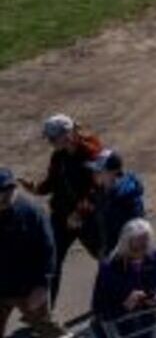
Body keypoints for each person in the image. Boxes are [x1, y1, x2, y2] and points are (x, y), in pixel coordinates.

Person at [0, 166, 72, 338]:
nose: (4, 197)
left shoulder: (31, 212)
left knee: (48, 329)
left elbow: (48, 250)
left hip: (28, 288)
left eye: (7, 190)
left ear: (13, 189)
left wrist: (42, 285)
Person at [34, 115, 104, 303]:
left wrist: (79, 213)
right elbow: (52, 182)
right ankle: (45, 315)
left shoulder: (91, 153)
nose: (49, 142)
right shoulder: (58, 156)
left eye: (52, 138)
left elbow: (97, 188)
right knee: (51, 261)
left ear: (68, 134)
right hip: (62, 217)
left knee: (105, 258)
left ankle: (112, 299)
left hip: (88, 219)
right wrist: (36, 188)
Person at [85, 151, 146, 263]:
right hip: (110, 255)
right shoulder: (101, 193)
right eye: (94, 170)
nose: (94, 174)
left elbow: (134, 231)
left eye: (99, 170)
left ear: (113, 172)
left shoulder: (127, 198)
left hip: (128, 257)